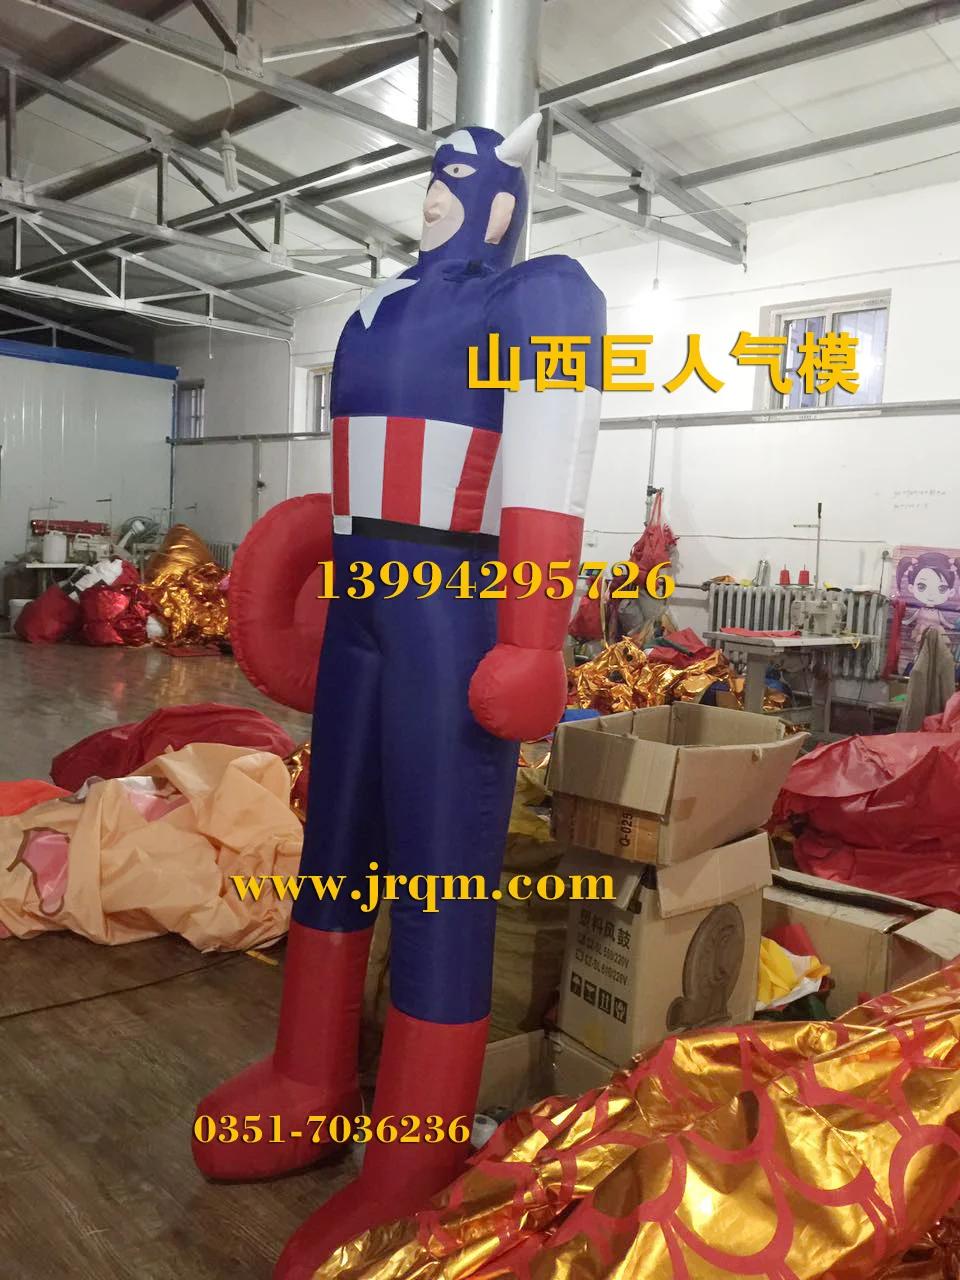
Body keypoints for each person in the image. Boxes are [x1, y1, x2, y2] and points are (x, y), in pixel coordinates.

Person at [191, 112, 607, 1278]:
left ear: (503, 199)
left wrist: (532, 633)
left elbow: (548, 466)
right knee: (335, 840)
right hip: (368, 598)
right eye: (432, 172)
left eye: (458, 176)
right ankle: (309, 1075)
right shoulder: (374, 310)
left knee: (436, 867)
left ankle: (412, 1156)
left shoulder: (539, 299)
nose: (435, 191)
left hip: (447, 601)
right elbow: (347, 488)